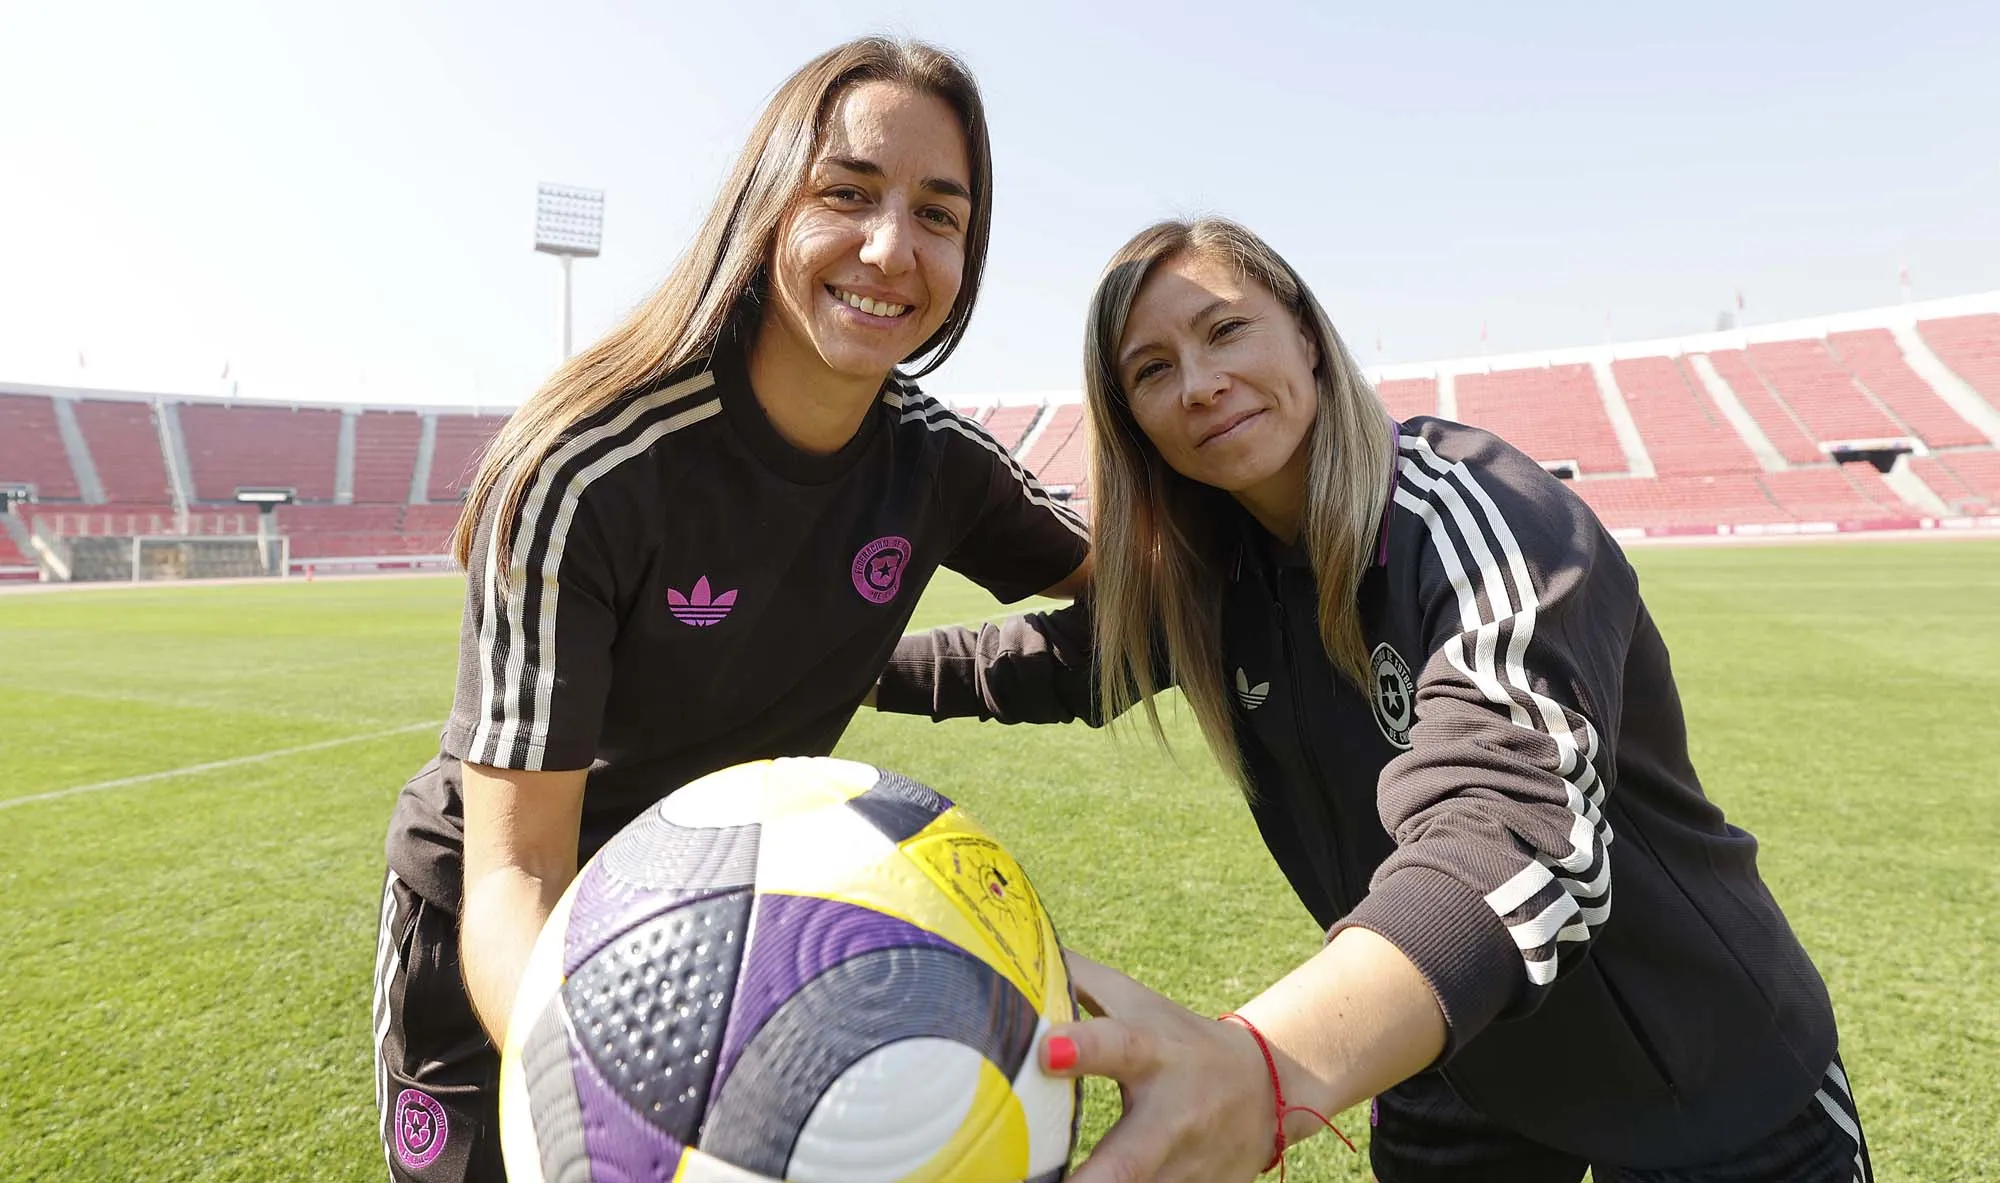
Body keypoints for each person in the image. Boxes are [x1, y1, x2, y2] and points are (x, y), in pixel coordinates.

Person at [876, 217, 1871, 1182]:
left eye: (1224, 328)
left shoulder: (1473, 514)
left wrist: (1259, 1069)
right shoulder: (1216, 578)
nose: (1200, 382)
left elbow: (1515, 832)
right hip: (1448, 1055)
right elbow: (1049, 663)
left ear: (1304, 334)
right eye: (1150, 368)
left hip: (1699, 1069)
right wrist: (850, 662)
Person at [372, 38, 1089, 1182]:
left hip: (747, 923)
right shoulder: (584, 466)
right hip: (503, 943)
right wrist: (605, 1090)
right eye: (845, 194)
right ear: (765, 205)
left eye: (938, 214)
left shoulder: (936, 462)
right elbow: (515, 873)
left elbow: (1131, 577)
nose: (890, 247)